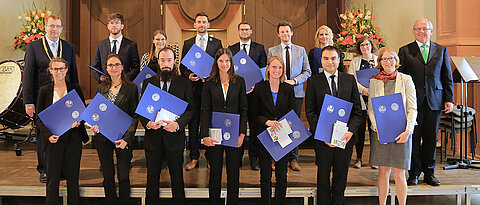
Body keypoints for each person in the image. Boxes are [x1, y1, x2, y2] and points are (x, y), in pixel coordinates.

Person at [23, 14, 79, 183]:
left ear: (61, 29)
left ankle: (61, 168)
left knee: (64, 132)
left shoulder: (68, 47)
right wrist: (28, 101)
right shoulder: (34, 47)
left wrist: (76, 99)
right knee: (44, 133)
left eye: (58, 26)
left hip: (64, 97)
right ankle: (44, 169)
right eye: (51, 26)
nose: (54, 29)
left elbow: (73, 73)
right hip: (43, 97)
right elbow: (28, 75)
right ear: (45, 27)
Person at [398, 18, 454, 187]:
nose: (422, 31)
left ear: (431, 31)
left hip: (435, 102)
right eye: (418, 29)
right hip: (412, 103)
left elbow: (447, 77)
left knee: (430, 139)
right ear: (413, 31)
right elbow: (400, 78)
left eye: (425, 29)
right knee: (413, 139)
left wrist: (449, 99)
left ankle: (429, 173)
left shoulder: (441, 50)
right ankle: (413, 173)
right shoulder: (405, 50)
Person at [305, 46, 362, 205]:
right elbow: (310, 112)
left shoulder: (349, 80)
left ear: (339, 60)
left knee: (341, 177)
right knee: (323, 177)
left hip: (345, 139)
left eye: (333, 58)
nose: (330, 62)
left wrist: (350, 132)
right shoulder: (313, 81)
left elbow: (357, 111)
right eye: (326, 58)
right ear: (321, 60)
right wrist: (324, 134)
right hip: (323, 140)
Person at [140, 47, 194, 204]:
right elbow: (142, 110)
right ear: (157, 61)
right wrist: (148, 123)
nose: (166, 64)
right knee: (151, 180)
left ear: (174, 62)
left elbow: (191, 110)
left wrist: (177, 125)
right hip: (153, 139)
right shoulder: (148, 83)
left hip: (174, 139)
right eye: (162, 60)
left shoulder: (184, 83)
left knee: (177, 178)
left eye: (169, 60)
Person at [368, 47, 417, 205]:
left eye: (391, 59)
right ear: (379, 62)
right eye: (384, 59)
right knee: (382, 172)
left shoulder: (406, 79)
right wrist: (377, 128)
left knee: (399, 173)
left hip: (402, 132)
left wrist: (408, 131)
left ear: (396, 62)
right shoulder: (374, 81)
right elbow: (371, 109)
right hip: (381, 133)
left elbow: (412, 108)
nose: (388, 62)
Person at [36, 57, 87, 205]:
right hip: (54, 139)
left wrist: (80, 121)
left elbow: (82, 111)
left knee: (73, 180)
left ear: (66, 70)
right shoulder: (44, 91)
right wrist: (48, 135)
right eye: (55, 69)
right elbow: (39, 118)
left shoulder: (75, 88)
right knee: (52, 181)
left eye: (62, 69)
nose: (59, 72)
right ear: (50, 70)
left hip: (73, 139)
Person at [201, 48, 248, 205]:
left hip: (234, 132)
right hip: (214, 132)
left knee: (233, 172)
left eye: (227, 60)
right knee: (215, 172)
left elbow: (243, 109)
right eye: (221, 60)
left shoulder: (240, 81)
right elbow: (205, 109)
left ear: (231, 62)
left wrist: (242, 133)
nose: (224, 63)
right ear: (216, 62)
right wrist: (204, 135)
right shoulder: (208, 83)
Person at [90, 54, 139, 205]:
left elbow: (134, 116)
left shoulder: (131, 88)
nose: (114, 68)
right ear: (106, 68)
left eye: (117, 64)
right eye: (110, 65)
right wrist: (94, 124)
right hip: (102, 137)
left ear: (123, 67)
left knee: (123, 175)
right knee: (108, 175)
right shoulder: (101, 87)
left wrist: (127, 139)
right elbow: (96, 113)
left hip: (122, 138)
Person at [251, 56, 296, 205]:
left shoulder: (288, 89)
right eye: (274, 67)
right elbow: (253, 113)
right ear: (268, 68)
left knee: (282, 176)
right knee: (265, 176)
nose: (277, 70)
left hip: (283, 136)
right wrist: (267, 122)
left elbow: (293, 113)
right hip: (265, 135)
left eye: (280, 68)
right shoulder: (259, 87)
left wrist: (282, 125)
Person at [181, 12, 223, 170]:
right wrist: (188, 75)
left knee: (210, 123)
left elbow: (221, 65)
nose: (201, 24)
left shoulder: (217, 43)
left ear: (208, 25)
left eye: (204, 22)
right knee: (193, 124)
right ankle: (194, 157)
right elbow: (182, 67)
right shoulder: (187, 43)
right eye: (198, 22)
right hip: (192, 90)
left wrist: (211, 75)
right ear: (194, 25)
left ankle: (211, 156)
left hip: (211, 89)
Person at [267, 21, 311, 171]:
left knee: (293, 125)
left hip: (296, 92)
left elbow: (307, 71)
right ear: (278, 34)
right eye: (282, 32)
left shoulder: (301, 50)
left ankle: (293, 158)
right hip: (277, 93)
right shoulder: (272, 50)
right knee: (278, 124)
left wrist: (294, 81)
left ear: (292, 33)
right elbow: (269, 71)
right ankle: (276, 157)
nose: (285, 34)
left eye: (287, 31)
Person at [228, 21, 267, 170]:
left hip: (255, 94)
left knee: (255, 126)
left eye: (247, 29)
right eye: (242, 29)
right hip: (237, 94)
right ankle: (236, 158)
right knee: (238, 125)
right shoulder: (231, 49)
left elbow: (263, 71)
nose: (244, 32)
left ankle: (254, 158)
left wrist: (253, 87)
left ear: (251, 31)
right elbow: (229, 70)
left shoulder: (260, 48)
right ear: (238, 31)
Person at [347, 36, 378, 169]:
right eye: (362, 45)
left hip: (375, 100)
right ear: (359, 48)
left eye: (367, 44)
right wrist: (363, 90)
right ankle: (358, 158)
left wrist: (372, 90)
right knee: (359, 131)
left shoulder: (378, 60)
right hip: (360, 99)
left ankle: (375, 159)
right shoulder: (355, 61)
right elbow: (351, 79)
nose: (365, 47)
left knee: (374, 129)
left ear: (371, 45)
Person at [93, 13, 140, 83]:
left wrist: (124, 79)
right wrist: (100, 78)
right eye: (112, 23)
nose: (114, 25)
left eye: (117, 23)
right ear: (108, 26)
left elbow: (136, 68)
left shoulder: (131, 45)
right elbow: (95, 67)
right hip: (105, 85)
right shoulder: (101, 45)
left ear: (122, 26)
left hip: (125, 86)